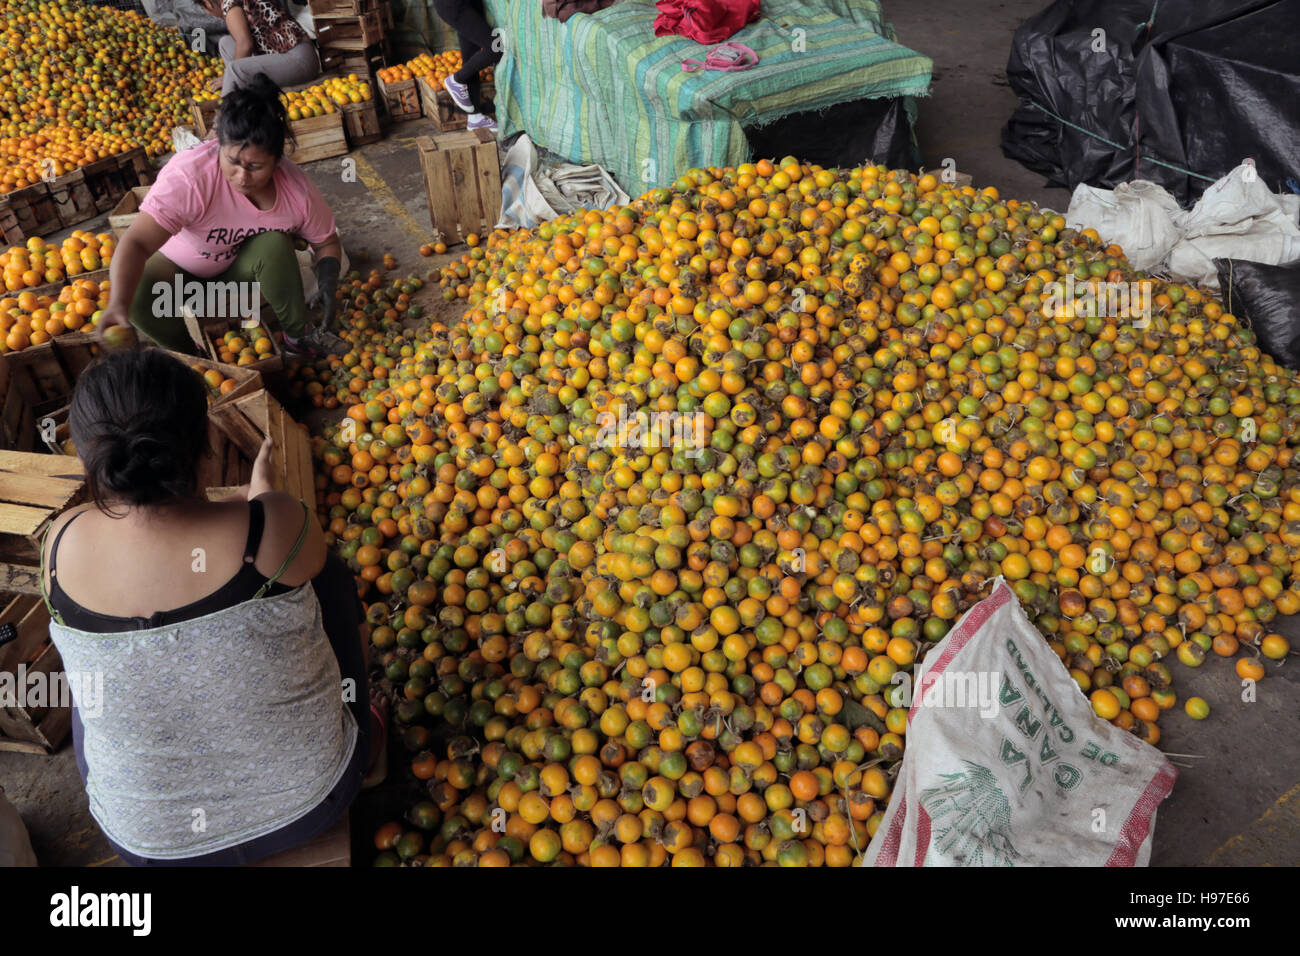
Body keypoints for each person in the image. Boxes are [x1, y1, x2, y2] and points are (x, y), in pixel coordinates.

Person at [40, 349, 384, 866]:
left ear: (89, 457)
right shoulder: (274, 528)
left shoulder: (58, 545)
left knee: (94, 676)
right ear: (204, 441)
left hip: (146, 842)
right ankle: (367, 727)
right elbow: (277, 540)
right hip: (312, 800)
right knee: (328, 574)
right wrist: (264, 501)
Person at [98, 74, 346, 360]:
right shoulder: (190, 177)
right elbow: (137, 243)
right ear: (218, 146)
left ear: (277, 161)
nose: (242, 177)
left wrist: (328, 281)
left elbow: (326, 242)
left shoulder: (296, 191)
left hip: (238, 273)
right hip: (178, 272)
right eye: (232, 162)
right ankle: (194, 357)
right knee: (138, 291)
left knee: (275, 243)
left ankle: (297, 336)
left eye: (255, 166)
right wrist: (118, 302)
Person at [200, 0, 322, 97]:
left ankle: (221, 123)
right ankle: (241, 95)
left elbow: (245, 44)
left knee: (234, 69)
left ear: (207, 3)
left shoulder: (229, 4)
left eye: (204, 9)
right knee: (225, 43)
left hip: (300, 61)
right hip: (287, 56)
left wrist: (229, 77)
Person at [433, 0, 501, 132]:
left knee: (470, 54)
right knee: (495, 48)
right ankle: (456, 79)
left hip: (469, 4)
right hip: (454, 5)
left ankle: (475, 118)